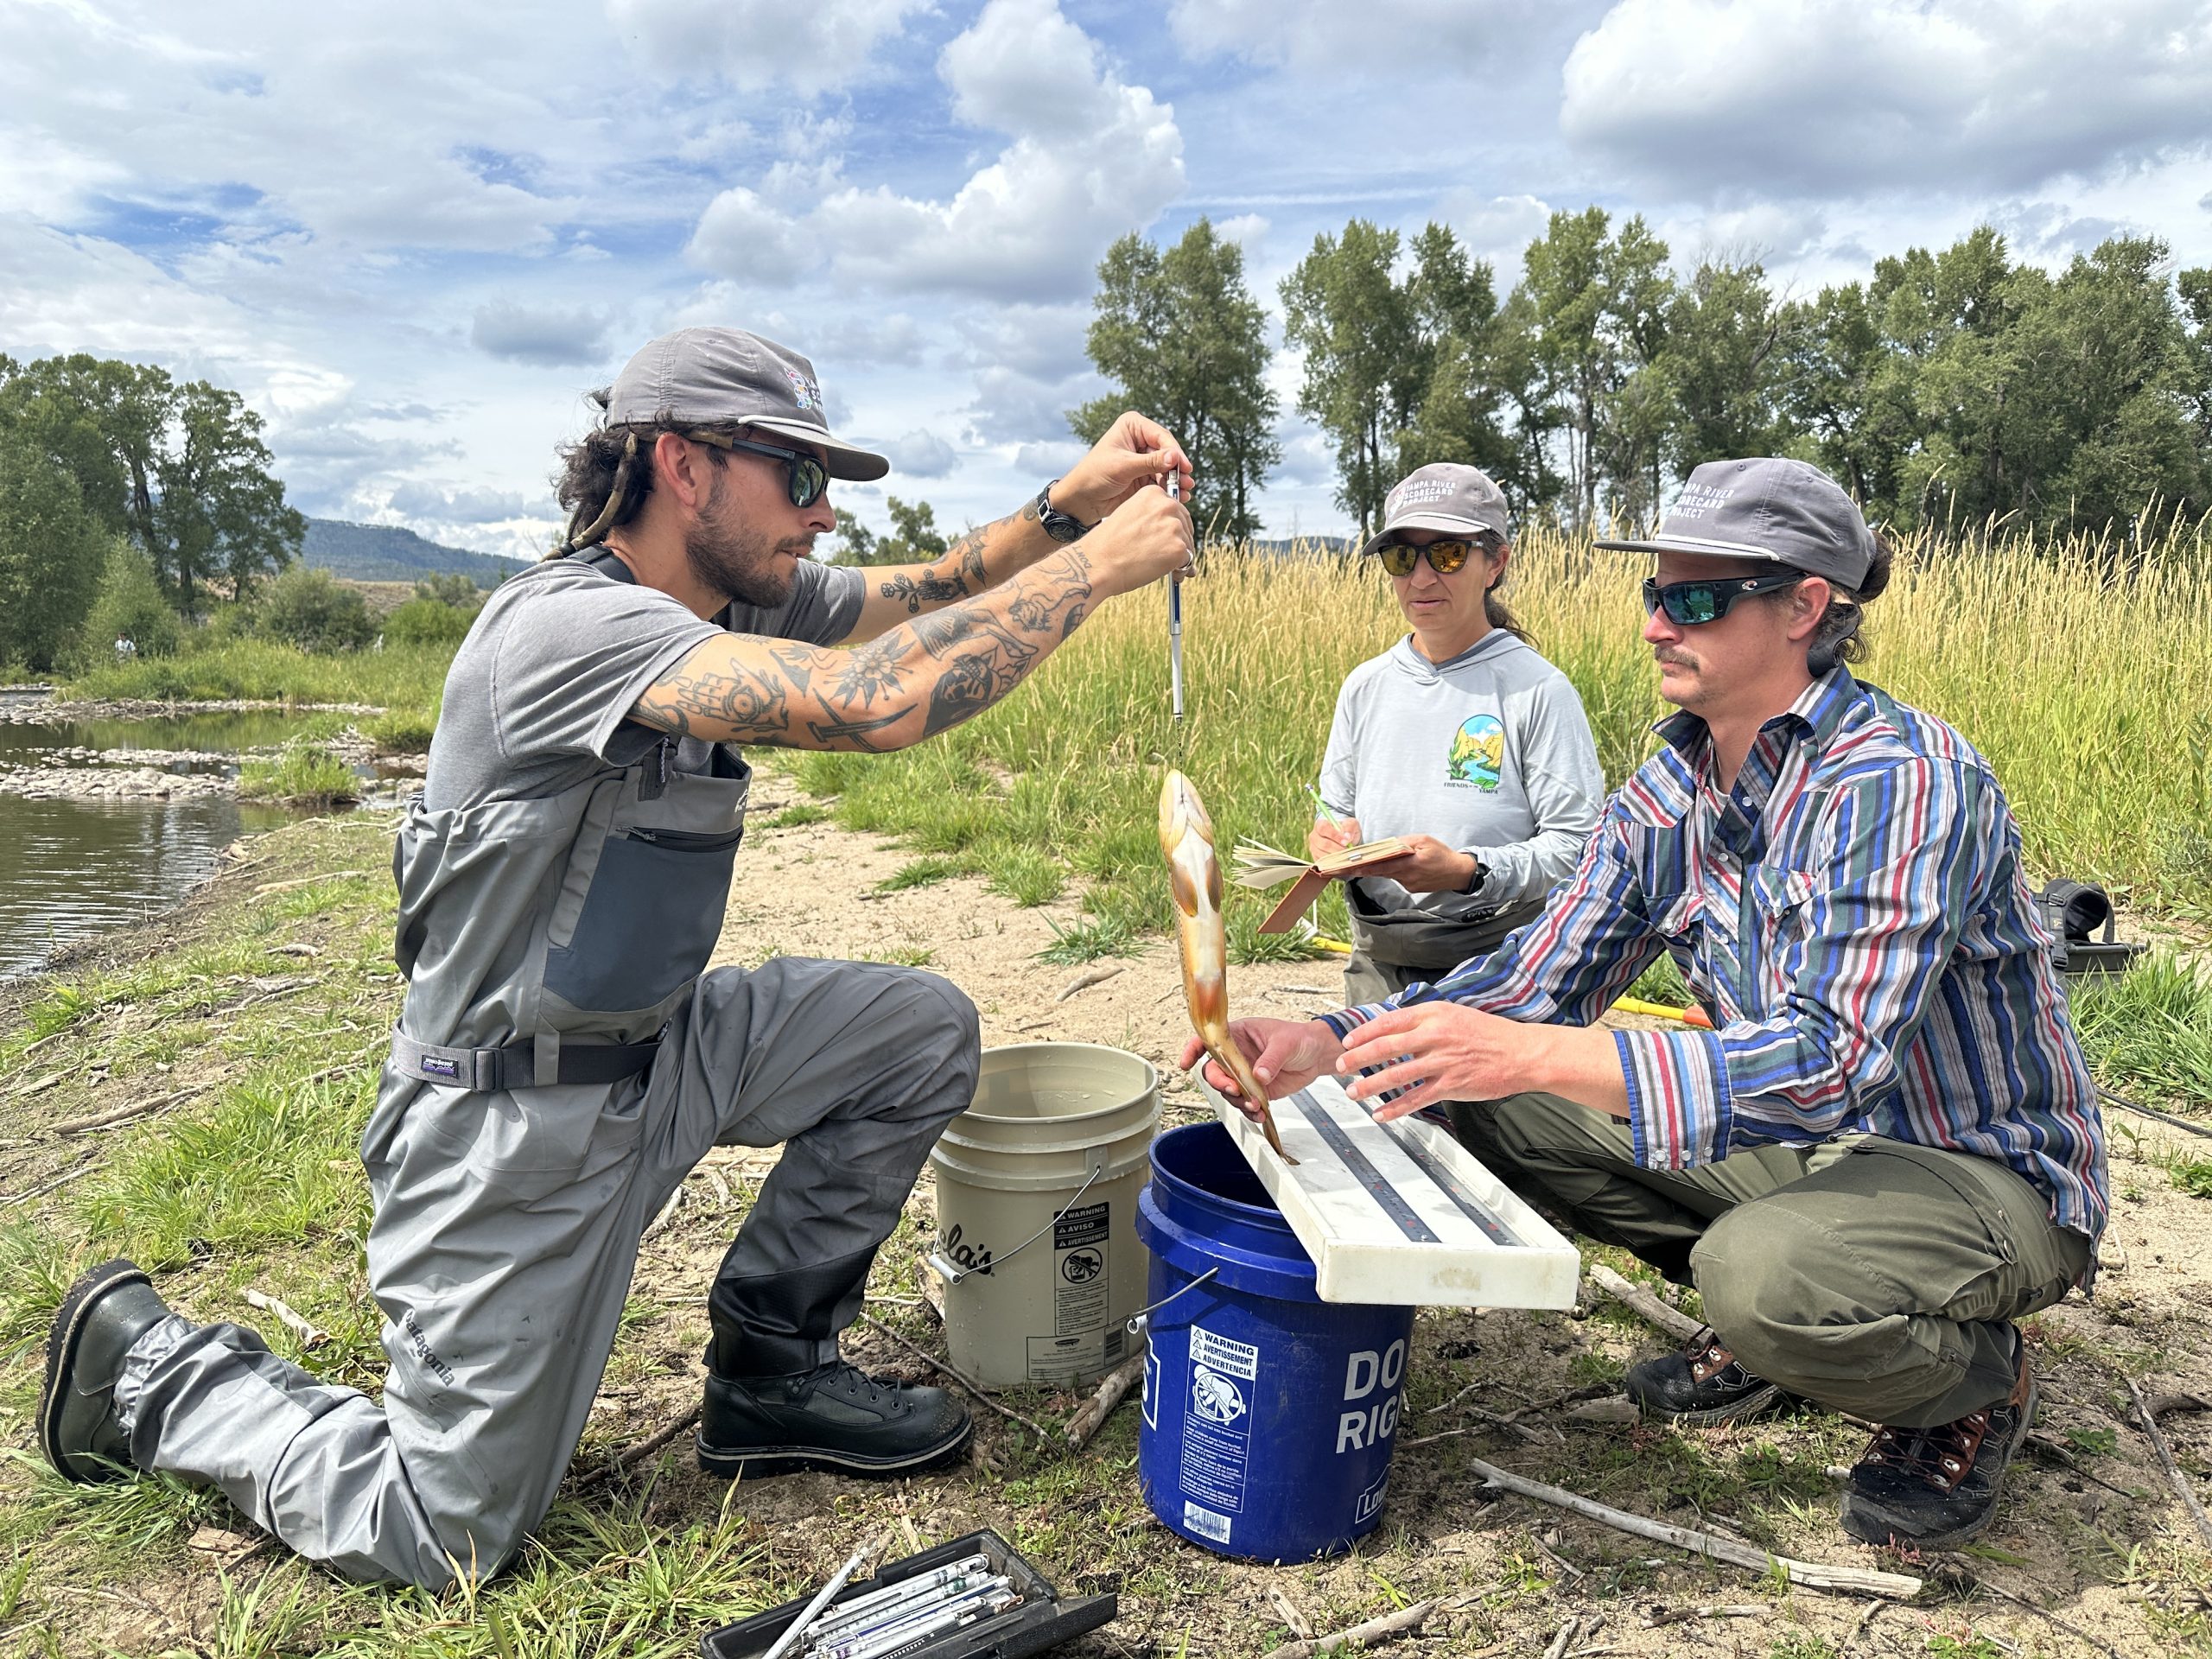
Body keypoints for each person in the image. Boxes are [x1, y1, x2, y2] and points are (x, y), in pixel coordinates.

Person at [40, 325, 1197, 1589]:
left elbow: (917, 598)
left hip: (663, 1055)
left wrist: (1059, 505)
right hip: (511, 1121)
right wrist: (1096, 569)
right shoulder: (564, 629)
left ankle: (773, 1375)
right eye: (797, 477)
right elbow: (875, 701)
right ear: (680, 466)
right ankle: (151, 1370)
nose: (820, 517)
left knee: (917, 1032)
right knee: (452, 1535)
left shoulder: (725, 595)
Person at [1186, 457, 2107, 1551]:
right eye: (1655, 595)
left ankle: (1966, 1385)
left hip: (1972, 1166)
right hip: (1811, 1154)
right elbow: (1538, 976)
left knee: (1751, 1267)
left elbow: (1831, 1063)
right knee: (1449, 1086)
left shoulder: (1899, 780)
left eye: (1697, 599)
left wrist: (1526, 1056)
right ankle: (1780, 1327)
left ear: (1805, 607)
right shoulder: (1674, 786)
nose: (1660, 624)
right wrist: (1335, 1040)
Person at [1312, 463, 1604, 1007]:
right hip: (1378, 957)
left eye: (1447, 554)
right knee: (1377, 1091)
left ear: (1496, 563)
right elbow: (1333, 809)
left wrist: (1468, 873)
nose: (1421, 578)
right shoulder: (1365, 686)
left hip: (1498, 964)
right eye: (1402, 557)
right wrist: (1327, 840)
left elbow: (1579, 848)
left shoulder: (1535, 689)